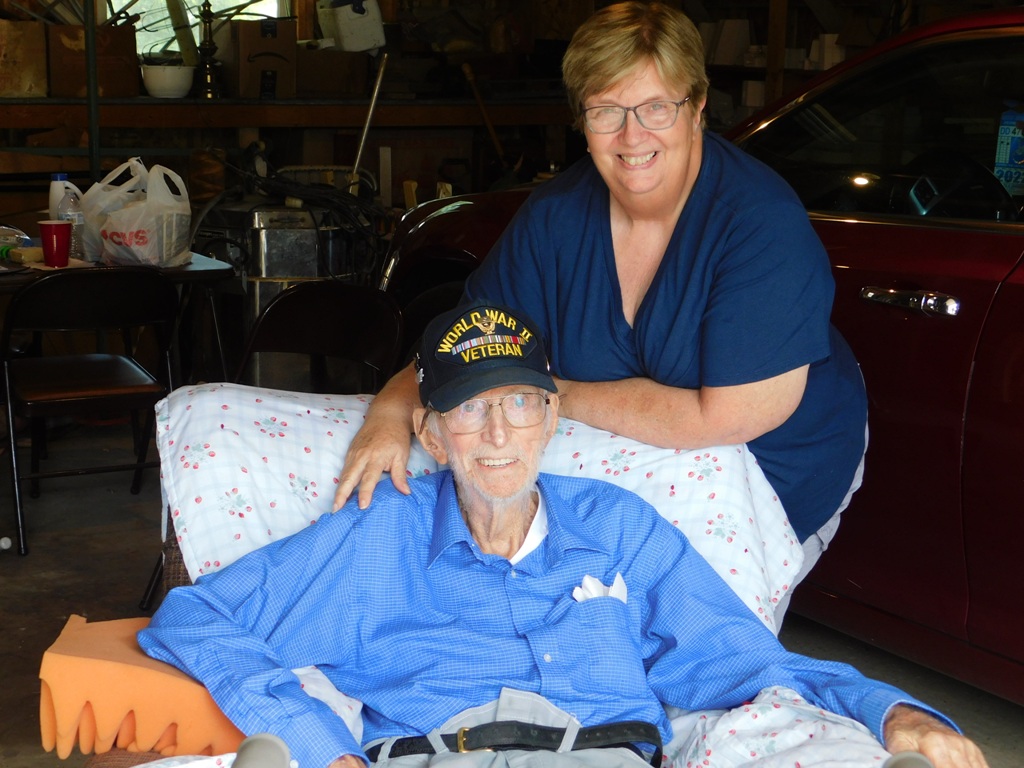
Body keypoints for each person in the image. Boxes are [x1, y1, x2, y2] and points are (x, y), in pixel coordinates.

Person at [139, 302, 986, 768]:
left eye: (519, 403)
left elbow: (748, 661)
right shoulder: (377, 532)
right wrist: (319, 746)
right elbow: (195, 617)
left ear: (551, 419)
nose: (498, 434)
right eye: (469, 409)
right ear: (432, 435)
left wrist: (892, 711)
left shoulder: (619, 528)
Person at [333, 2, 868, 608]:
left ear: (697, 107)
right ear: (581, 121)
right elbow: (468, 342)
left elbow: (727, 417)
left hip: (775, 466)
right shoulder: (556, 217)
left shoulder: (760, 223)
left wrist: (556, 393)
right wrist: (388, 412)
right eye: (606, 111)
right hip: (633, 467)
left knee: (689, 633)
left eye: (656, 107)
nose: (632, 136)